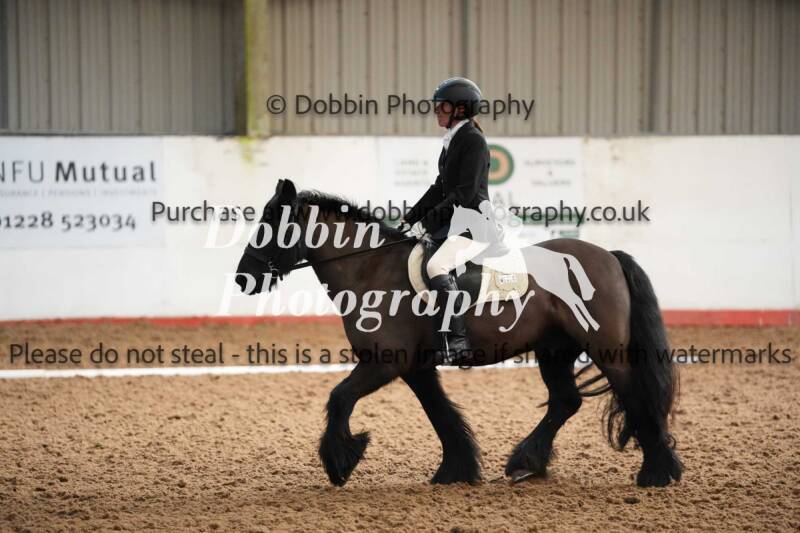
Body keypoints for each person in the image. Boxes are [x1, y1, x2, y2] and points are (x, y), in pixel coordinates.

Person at [398, 77, 490, 366]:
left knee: (436, 266)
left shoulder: (473, 141)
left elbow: (464, 194)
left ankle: (458, 340)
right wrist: (410, 218)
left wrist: (426, 224)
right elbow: (439, 188)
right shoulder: (453, 140)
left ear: (461, 109)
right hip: (455, 222)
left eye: (443, 106)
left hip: (474, 222)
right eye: (438, 105)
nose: (437, 110)